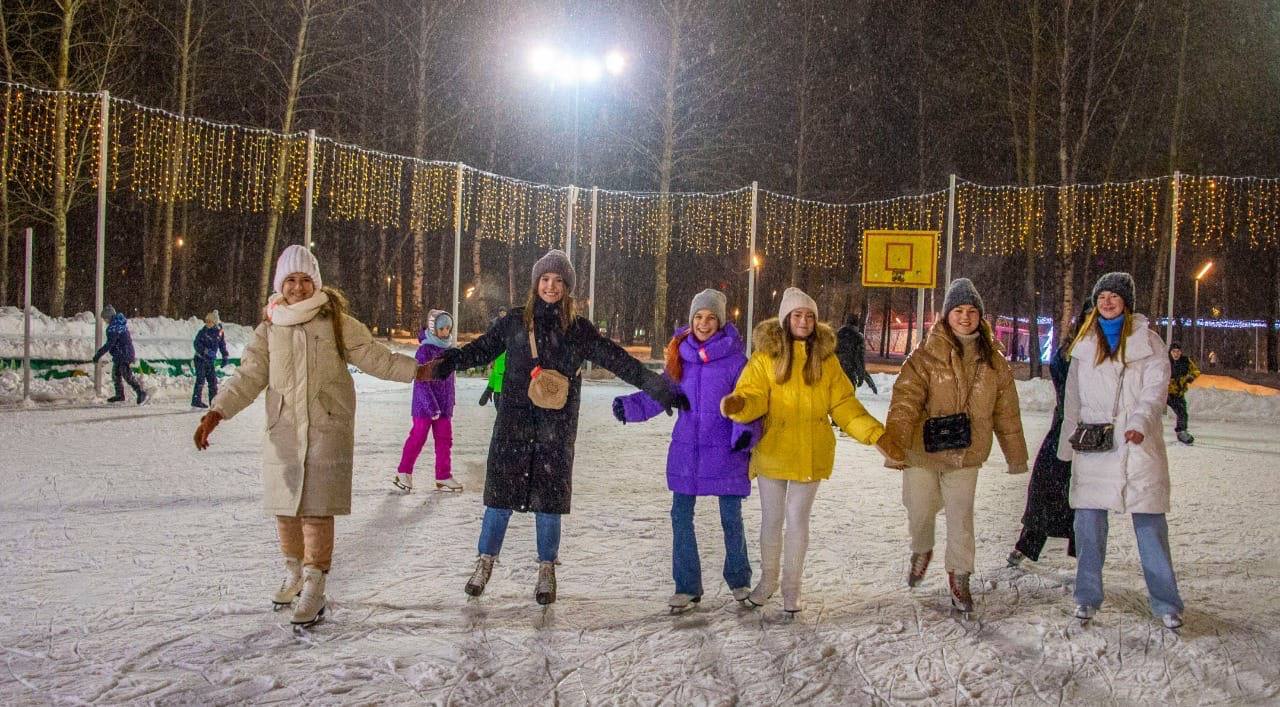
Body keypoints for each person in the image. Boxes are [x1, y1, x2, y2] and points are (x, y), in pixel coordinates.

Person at [422, 249, 688, 605]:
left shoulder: (577, 331)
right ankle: (485, 561)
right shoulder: (515, 322)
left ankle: (546, 568)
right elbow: (481, 350)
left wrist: (657, 387)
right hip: (513, 424)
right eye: (545, 280)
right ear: (536, 284)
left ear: (567, 288)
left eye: (558, 281)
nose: (551, 286)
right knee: (498, 499)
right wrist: (450, 361)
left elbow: (617, 359)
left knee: (549, 502)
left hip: (555, 428)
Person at [192, 245, 432, 628]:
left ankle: (315, 584)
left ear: (316, 283)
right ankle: (294, 572)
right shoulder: (269, 329)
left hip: (326, 426)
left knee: (317, 509)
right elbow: (248, 376)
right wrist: (218, 410)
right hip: (284, 429)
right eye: (291, 280)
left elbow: (376, 357)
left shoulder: (336, 322)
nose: (299, 287)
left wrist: (417, 371)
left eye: (305, 280)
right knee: (286, 507)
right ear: (280, 285)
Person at [721, 287, 899, 615]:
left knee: (797, 519)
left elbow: (844, 405)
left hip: (810, 451)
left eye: (810, 316)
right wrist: (741, 405)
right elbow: (754, 394)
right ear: (786, 318)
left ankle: (791, 589)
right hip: (773, 449)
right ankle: (768, 582)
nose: (804, 321)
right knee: (771, 520)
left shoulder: (827, 360)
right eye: (798, 315)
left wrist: (876, 435)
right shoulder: (765, 356)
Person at [883, 278, 1028, 613]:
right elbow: (905, 401)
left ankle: (960, 576)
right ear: (947, 315)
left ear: (980, 316)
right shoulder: (923, 357)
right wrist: (895, 444)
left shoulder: (994, 363)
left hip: (966, 453)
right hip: (923, 450)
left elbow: (1007, 413)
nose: (965, 317)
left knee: (961, 517)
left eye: (972, 311)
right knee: (920, 511)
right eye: (959, 310)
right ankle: (922, 548)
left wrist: (1015, 456)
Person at [613, 289, 760, 612]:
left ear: (720, 322)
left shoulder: (737, 361)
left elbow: (748, 403)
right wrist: (630, 408)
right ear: (691, 320)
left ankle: (739, 580)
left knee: (730, 518)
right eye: (698, 317)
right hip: (687, 451)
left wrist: (743, 435)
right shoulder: (681, 357)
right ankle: (687, 586)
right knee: (681, 516)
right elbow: (661, 393)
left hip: (726, 450)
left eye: (710, 318)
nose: (704, 323)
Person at [1057, 272, 1184, 629]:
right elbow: (1073, 400)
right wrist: (1068, 446)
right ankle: (1086, 596)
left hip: (1135, 447)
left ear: (1126, 302)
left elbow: (1156, 389)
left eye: (1114, 296)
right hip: (1095, 445)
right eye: (1102, 297)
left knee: (1150, 526)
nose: (1107, 301)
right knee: (1088, 526)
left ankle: (1166, 602)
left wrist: (1141, 422)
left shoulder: (1149, 343)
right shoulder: (1084, 344)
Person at [1008, 300, 1093, 568]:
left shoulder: (1106, 353)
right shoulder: (1071, 347)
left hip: (1092, 431)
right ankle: (1028, 542)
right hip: (1062, 427)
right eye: (1090, 314)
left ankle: (1085, 554)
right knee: (1044, 488)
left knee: (1085, 494)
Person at [394, 309, 461, 493]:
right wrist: (431, 407)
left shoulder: (448, 350)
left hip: (444, 407)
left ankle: (443, 475)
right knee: (418, 437)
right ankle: (403, 472)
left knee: (445, 441)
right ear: (434, 329)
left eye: (448, 328)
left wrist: (450, 402)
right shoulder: (425, 350)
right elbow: (422, 382)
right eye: (442, 329)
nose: (446, 332)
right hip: (425, 407)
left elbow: (449, 381)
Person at [93, 304, 147, 405]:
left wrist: (98, 355)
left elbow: (110, 344)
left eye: (105, 318)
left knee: (126, 374)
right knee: (116, 374)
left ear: (109, 317)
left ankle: (140, 392)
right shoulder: (118, 325)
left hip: (124, 353)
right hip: (121, 353)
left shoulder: (114, 328)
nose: (105, 321)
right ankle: (120, 395)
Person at [191, 309, 229, 408]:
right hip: (200, 359)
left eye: (209, 322)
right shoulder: (203, 332)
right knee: (200, 380)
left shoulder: (219, 332)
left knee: (213, 381)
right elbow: (196, 344)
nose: (207, 323)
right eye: (206, 321)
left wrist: (225, 355)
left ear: (215, 322)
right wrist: (205, 351)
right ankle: (196, 400)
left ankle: (213, 402)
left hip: (210, 361)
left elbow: (222, 344)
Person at [836, 313, 877, 394]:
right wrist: (861, 375)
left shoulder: (837, 334)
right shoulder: (858, 337)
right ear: (857, 324)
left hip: (837, 371)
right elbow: (859, 359)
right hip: (850, 371)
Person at [1166, 342, 1199, 445]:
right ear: (1170, 352)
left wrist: (1189, 377)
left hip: (1179, 393)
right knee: (1152, 411)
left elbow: (1195, 371)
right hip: (1166, 393)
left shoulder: (1185, 361)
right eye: (1173, 351)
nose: (1176, 354)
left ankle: (1182, 432)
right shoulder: (1165, 361)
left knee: (1182, 412)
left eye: (1178, 351)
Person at [479, 306, 509, 408]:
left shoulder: (514, 352)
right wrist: (489, 388)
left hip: (509, 395)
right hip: (498, 392)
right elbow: (497, 373)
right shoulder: (499, 354)